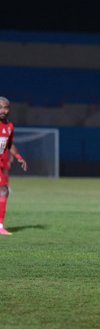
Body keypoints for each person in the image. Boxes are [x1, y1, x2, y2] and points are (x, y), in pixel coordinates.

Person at [0, 97, 27, 235]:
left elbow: (10, 144)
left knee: (4, 190)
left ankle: (0, 226)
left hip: (1, 164)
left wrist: (19, 157)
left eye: (6, 108)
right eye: (1, 108)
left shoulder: (9, 126)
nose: (3, 111)